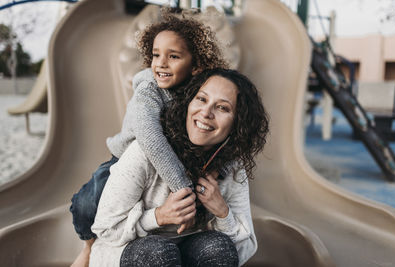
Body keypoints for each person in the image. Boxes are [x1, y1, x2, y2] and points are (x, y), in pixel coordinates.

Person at [70, 9, 227, 267]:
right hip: (126, 157)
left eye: (173, 56)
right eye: (156, 55)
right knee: (89, 202)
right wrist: (183, 190)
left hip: (168, 162)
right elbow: (151, 140)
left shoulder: (199, 92)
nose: (161, 63)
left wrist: (219, 168)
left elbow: (220, 126)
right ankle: (89, 246)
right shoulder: (148, 92)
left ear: (196, 66)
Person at [90, 68, 270, 267]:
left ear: (238, 123)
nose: (206, 112)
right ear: (188, 102)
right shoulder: (144, 152)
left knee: (218, 249)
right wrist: (158, 216)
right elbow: (106, 229)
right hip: (127, 252)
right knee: (159, 254)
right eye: (201, 99)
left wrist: (222, 213)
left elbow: (245, 247)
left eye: (222, 108)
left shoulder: (233, 168)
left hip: (187, 253)